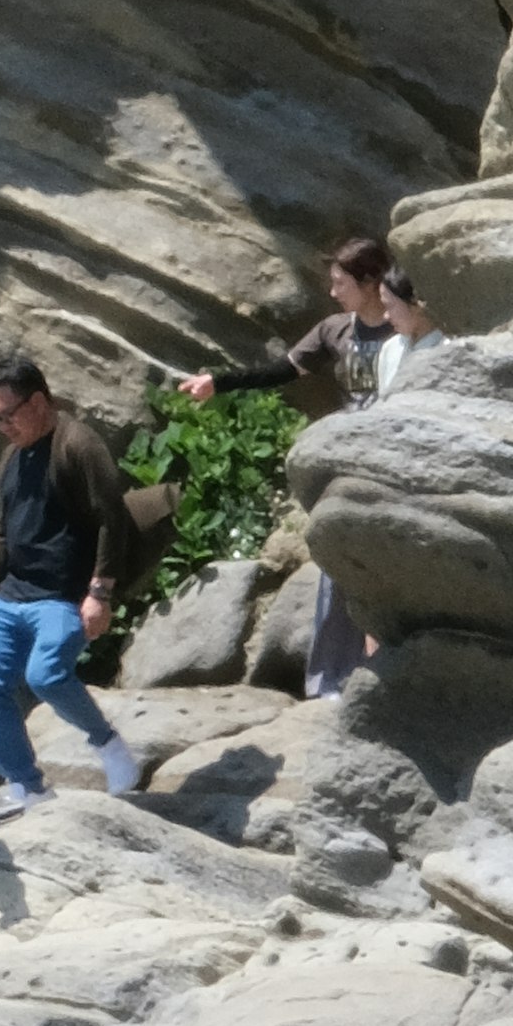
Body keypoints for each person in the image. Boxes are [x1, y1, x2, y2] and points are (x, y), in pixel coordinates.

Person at [175, 235, 422, 700]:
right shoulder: (335, 330)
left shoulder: (402, 330)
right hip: (346, 458)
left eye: (340, 282)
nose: (332, 292)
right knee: (335, 559)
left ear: (371, 282)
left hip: (392, 455)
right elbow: (281, 371)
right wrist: (219, 382)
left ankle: (384, 670)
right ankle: (332, 677)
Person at [0, 354, 155, 805]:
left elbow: (113, 519)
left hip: (63, 596)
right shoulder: (10, 459)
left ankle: (107, 742)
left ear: (37, 402)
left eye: (7, 415)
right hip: (11, 596)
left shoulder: (77, 445)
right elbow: (1, 533)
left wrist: (100, 592)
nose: (3, 426)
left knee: (46, 675)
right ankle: (27, 786)